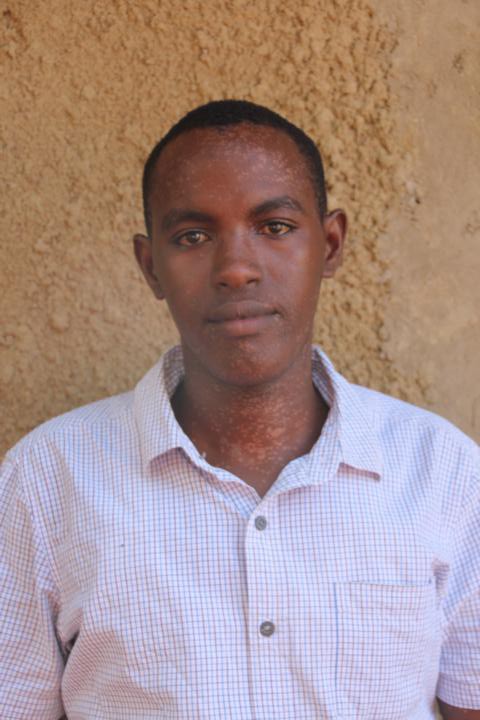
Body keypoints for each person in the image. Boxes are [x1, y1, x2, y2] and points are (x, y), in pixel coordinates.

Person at [0, 100, 479, 720]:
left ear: (331, 245)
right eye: (193, 237)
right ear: (151, 267)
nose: (236, 269)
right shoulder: (45, 481)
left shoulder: (444, 473)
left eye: (274, 226)